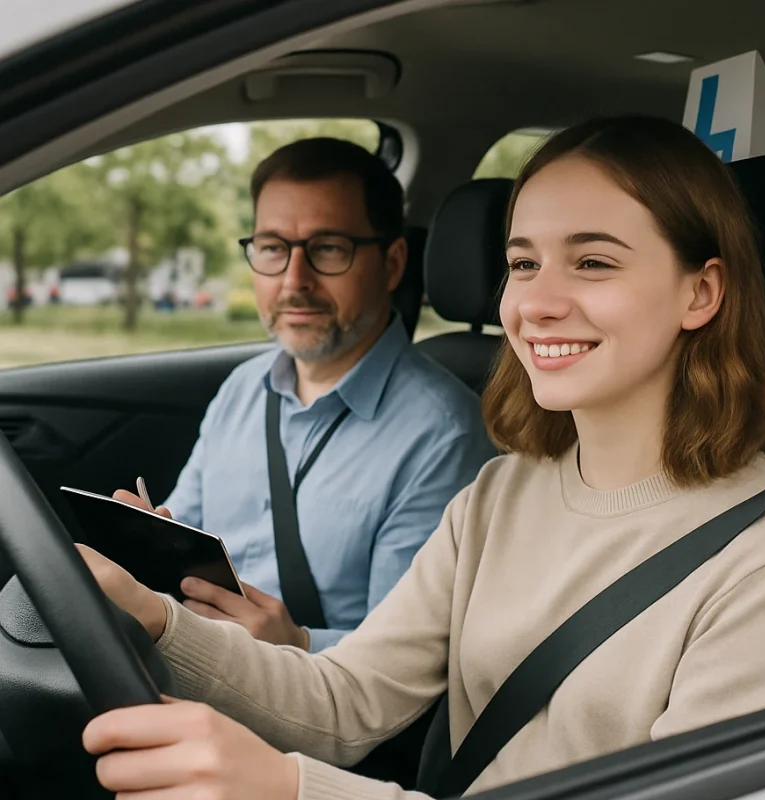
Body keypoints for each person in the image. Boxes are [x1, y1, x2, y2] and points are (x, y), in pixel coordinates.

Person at [77, 115, 765, 800]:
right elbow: (345, 700)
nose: (537, 302)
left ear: (700, 293)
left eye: (593, 261)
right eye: (523, 263)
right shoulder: (500, 494)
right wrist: (155, 620)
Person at [116, 137, 496, 652]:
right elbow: (186, 532)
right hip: (190, 660)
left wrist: (295, 644)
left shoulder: (444, 435)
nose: (295, 280)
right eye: (273, 248)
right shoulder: (243, 389)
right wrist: (149, 543)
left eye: (328, 249)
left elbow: (405, 658)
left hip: (306, 713)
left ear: (392, 263)